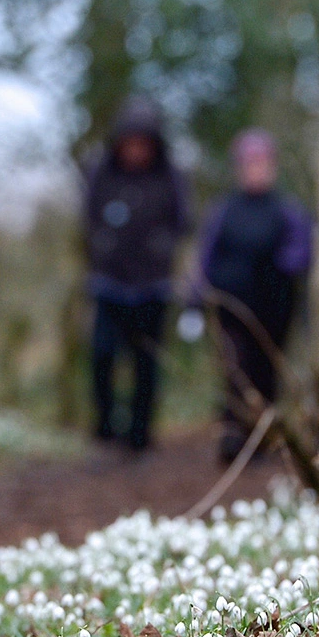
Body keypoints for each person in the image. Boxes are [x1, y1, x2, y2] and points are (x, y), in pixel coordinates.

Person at [186, 129, 313, 464]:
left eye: (262, 163)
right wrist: (195, 302)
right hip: (232, 308)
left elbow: (301, 254)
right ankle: (233, 437)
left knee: (266, 374)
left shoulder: (287, 211)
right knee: (234, 372)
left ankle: (265, 439)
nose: (256, 170)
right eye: (250, 164)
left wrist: (279, 266)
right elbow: (205, 257)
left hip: (275, 309)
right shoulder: (224, 210)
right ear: (239, 168)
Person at [82, 96, 189, 452]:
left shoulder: (169, 175)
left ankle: (140, 434)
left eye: (143, 143)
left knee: (146, 363)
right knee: (102, 354)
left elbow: (183, 221)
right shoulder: (103, 171)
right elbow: (89, 216)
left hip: (152, 287)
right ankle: (106, 425)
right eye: (130, 142)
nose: (136, 150)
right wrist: (103, 246)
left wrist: (163, 248)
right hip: (109, 282)